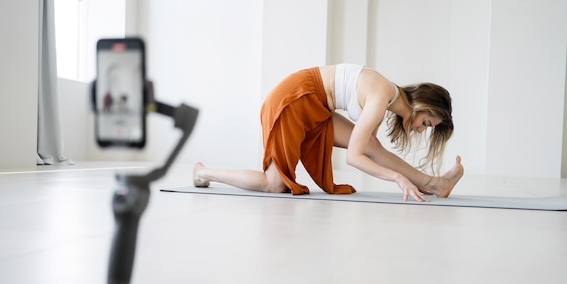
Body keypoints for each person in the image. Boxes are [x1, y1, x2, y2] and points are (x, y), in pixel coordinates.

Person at [193, 64, 464, 201]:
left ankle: (434, 184)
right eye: (426, 124)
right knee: (274, 184)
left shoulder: (388, 97)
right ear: (421, 106)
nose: (420, 130)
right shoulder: (383, 96)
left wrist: (414, 180)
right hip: (295, 98)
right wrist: (397, 179)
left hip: (316, 103)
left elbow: (370, 149)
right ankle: (204, 172)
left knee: (372, 145)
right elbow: (354, 158)